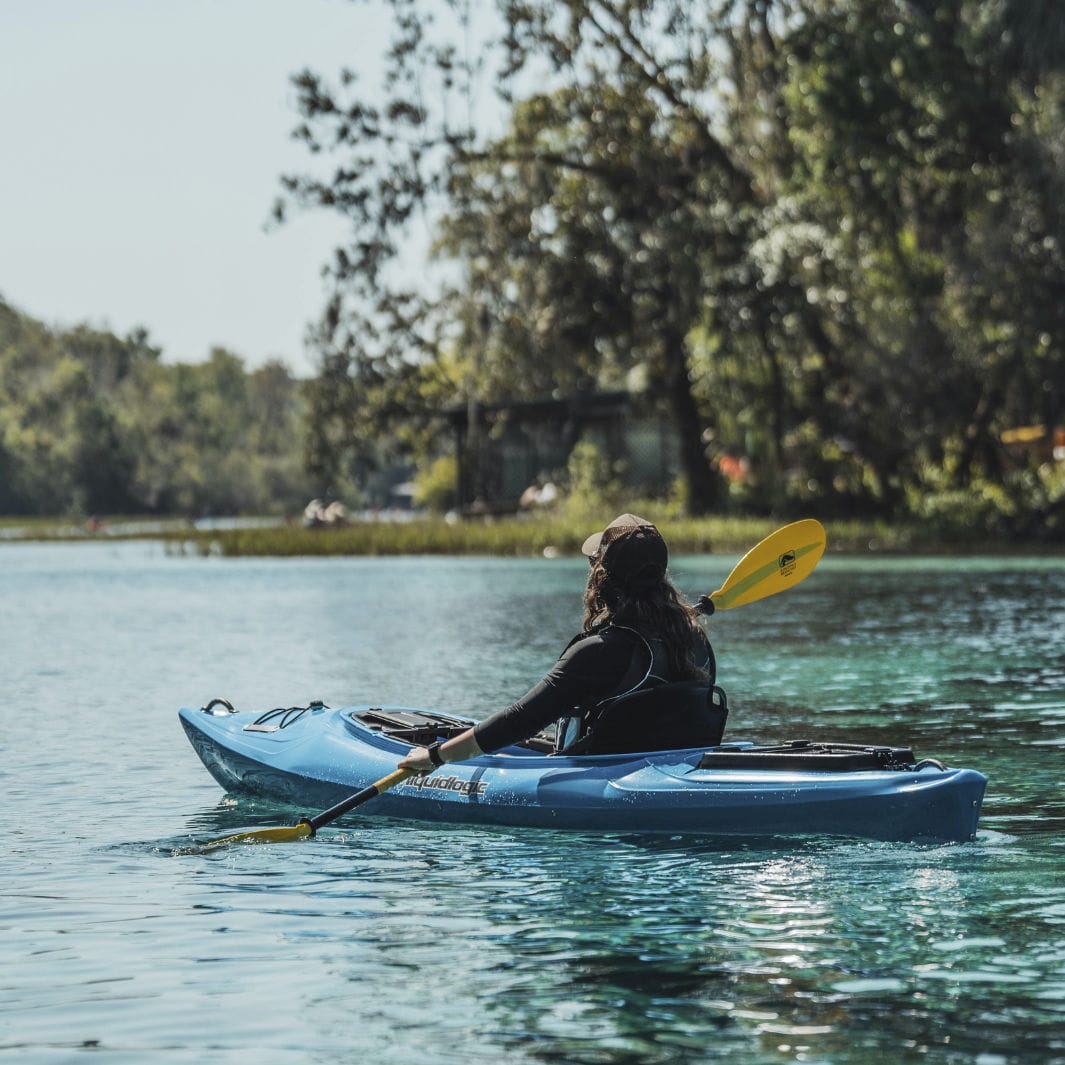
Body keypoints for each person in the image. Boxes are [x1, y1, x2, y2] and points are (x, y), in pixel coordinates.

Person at [398, 513, 723, 773]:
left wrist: (436, 757)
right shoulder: (694, 638)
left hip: (607, 776)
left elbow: (518, 720)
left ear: (601, 577)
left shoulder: (599, 651)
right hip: (677, 767)